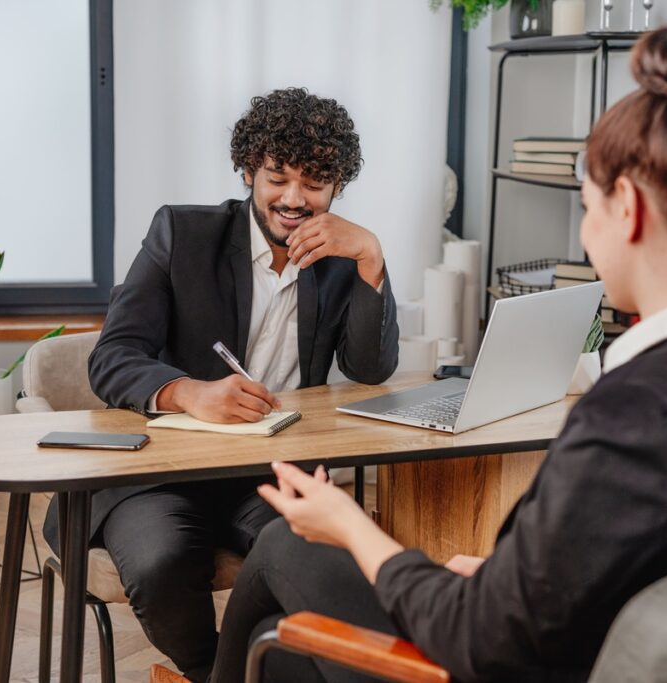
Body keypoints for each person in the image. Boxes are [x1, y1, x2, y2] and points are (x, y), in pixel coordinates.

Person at [209, 28, 667, 683]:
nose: (586, 233)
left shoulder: (633, 415)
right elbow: (659, 559)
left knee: (286, 544)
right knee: (287, 656)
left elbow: (480, 641)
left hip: (501, 660)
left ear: (630, 210)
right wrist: (509, 578)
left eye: (588, 208)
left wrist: (351, 525)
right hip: (587, 637)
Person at [41, 87, 399, 683]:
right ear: (248, 171)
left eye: (314, 183)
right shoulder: (182, 233)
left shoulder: (341, 255)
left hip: (270, 470)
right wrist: (189, 392)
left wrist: (371, 259)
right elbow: (112, 357)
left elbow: (370, 368)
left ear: (337, 186)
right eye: (277, 178)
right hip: (161, 474)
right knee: (161, 563)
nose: (294, 199)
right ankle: (214, 672)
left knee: (321, 561)